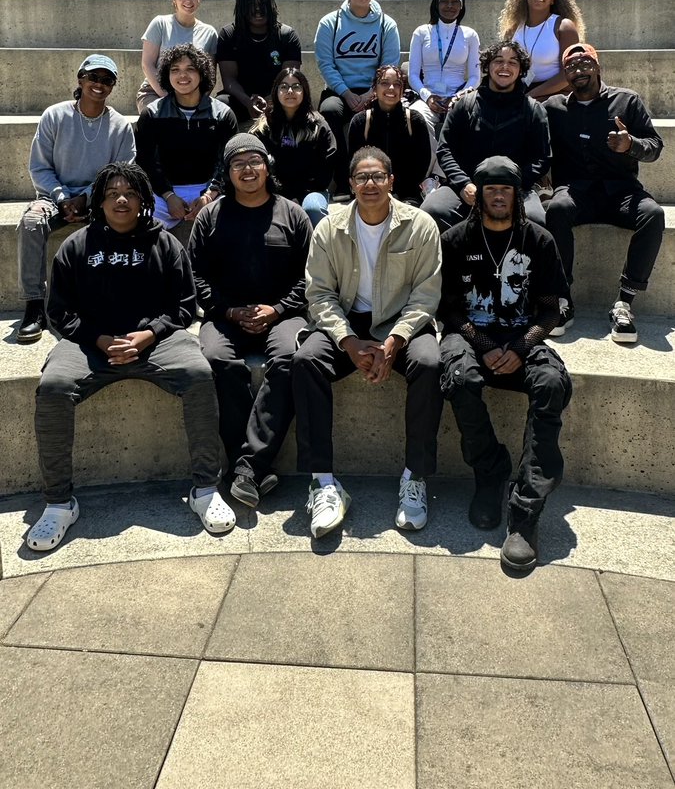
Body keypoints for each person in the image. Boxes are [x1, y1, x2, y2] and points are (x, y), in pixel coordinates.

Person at [25, 163, 235, 552]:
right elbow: (59, 313)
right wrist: (100, 339)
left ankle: (205, 489)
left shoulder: (165, 243)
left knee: (198, 373)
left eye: (130, 193)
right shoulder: (77, 245)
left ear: (142, 200)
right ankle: (58, 503)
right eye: (112, 193)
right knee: (53, 386)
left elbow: (185, 307)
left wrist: (148, 334)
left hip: (156, 340)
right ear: (100, 201)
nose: (121, 199)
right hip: (89, 343)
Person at [292, 146, 443, 539]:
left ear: (392, 181)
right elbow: (320, 294)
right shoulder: (329, 227)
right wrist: (347, 341)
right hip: (348, 318)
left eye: (378, 176)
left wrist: (395, 340)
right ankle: (322, 482)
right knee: (307, 359)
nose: (370, 184)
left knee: (429, 363)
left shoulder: (422, 225)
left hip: (403, 319)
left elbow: (427, 295)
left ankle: (415, 478)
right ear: (350, 183)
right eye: (362, 177)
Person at [439, 156, 572, 574]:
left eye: (507, 190)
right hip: (471, 336)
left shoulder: (539, 241)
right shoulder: (456, 239)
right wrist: (483, 342)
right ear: (479, 195)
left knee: (551, 382)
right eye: (491, 189)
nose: (499, 196)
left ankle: (525, 510)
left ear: (517, 196)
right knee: (458, 376)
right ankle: (490, 470)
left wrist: (517, 346)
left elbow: (551, 311)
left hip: (522, 339)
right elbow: (448, 310)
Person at [189, 133, 312, 507]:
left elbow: (312, 276)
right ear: (227, 172)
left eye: (254, 161)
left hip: (282, 315)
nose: (247, 169)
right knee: (214, 358)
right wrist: (227, 310)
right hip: (226, 316)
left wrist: (277, 309)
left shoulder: (292, 213)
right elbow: (194, 276)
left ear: (267, 167)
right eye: (238, 163)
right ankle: (255, 467)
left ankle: (247, 467)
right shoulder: (211, 216)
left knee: (291, 358)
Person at [544, 43, 664, 343]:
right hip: (575, 192)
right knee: (556, 208)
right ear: (565, 75)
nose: (579, 69)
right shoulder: (554, 108)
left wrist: (631, 145)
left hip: (620, 192)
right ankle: (562, 299)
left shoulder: (627, 100)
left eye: (585, 63)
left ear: (598, 67)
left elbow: (654, 146)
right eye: (571, 66)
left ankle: (625, 302)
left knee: (654, 214)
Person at [17, 55, 135, 345]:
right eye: (93, 77)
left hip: (99, 199)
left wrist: (86, 198)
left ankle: (105, 301)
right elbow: (39, 167)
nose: (99, 84)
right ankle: (34, 306)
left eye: (107, 80)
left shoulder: (120, 126)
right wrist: (61, 198)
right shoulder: (54, 116)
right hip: (54, 196)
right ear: (80, 79)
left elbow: (121, 172)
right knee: (31, 222)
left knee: (121, 221)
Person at [420, 41, 551, 234]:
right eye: (498, 61)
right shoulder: (465, 105)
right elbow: (445, 150)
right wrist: (463, 184)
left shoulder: (533, 109)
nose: (505, 67)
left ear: (521, 70)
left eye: (513, 62)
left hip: (516, 188)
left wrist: (512, 186)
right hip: (468, 186)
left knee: (535, 220)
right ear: (487, 66)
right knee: (431, 211)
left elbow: (542, 157)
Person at [315, 0, 401, 194]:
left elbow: (389, 66)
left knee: (381, 114)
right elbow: (325, 63)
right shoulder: (329, 23)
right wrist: (346, 92)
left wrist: (371, 93)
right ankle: (344, 180)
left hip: (374, 89)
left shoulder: (386, 24)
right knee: (330, 111)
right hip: (339, 90)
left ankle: (383, 179)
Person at [135, 43, 237, 229]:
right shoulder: (152, 114)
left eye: (190, 69)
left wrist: (209, 195)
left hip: (211, 192)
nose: (182, 75)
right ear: (167, 75)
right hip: (163, 195)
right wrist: (168, 195)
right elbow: (146, 161)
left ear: (202, 73)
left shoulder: (222, 114)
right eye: (175, 70)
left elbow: (227, 161)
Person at [250, 67, 336, 227]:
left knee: (313, 209)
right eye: (284, 86)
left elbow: (326, 167)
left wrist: (300, 195)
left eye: (296, 86)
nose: (290, 91)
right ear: (276, 91)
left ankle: (320, 251)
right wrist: (281, 195)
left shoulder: (318, 125)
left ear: (305, 91)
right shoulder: (264, 125)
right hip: (272, 191)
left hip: (311, 191)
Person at [216, 0, 302, 123]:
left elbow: (288, 78)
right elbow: (229, 80)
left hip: (278, 96)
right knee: (222, 103)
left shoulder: (286, 35)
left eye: (262, 4)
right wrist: (248, 101)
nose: (258, 10)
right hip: (241, 98)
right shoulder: (229, 35)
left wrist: (269, 100)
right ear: (242, 8)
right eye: (251, 5)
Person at [347, 64, 432, 204]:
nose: (391, 88)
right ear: (374, 88)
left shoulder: (415, 120)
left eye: (397, 84)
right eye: (385, 83)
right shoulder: (361, 122)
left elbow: (422, 162)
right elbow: (353, 162)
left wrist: (402, 190)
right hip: (370, 191)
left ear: (403, 89)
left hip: (407, 194)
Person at [408, 0, 481, 139]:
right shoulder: (421, 32)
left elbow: (475, 77)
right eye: (444, 1)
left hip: (458, 97)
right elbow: (413, 74)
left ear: (461, 7)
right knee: (415, 116)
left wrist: (459, 97)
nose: (449, 6)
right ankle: (432, 163)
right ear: (436, 4)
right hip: (428, 96)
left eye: (455, 2)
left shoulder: (470, 35)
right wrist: (428, 97)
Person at [498, 0, 585, 101]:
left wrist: (529, 97)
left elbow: (567, 74)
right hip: (520, 91)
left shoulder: (564, 26)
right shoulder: (514, 29)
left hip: (555, 95)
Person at [138, 0, 218, 112]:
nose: (188, 0)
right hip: (155, 92)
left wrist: (197, 101)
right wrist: (169, 98)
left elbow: (210, 76)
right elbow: (147, 65)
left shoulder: (209, 32)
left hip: (193, 95)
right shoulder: (160, 24)